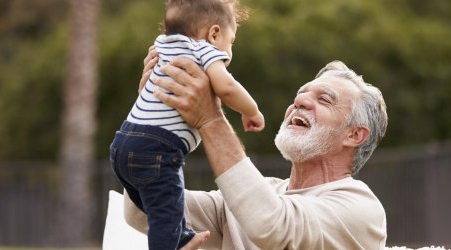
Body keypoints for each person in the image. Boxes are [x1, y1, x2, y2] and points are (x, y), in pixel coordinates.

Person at [123, 55, 389, 249]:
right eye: (301, 94)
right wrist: (151, 119)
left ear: (354, 135)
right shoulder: (258, 194)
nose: (299, 101)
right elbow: (143, 211)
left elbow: (271, 225)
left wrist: (210, 119)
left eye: (324, 99)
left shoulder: (360, 208)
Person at [109, 0, 264, 249]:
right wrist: (252, 111)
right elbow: (226, 87)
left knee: (157, 208)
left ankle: (179, 236)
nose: (230, 51)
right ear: (214, 33)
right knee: (166, 212)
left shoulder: (163, 45)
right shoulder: (205, 51)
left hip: (122, 143)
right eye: (231, 41)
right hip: (158, 148)